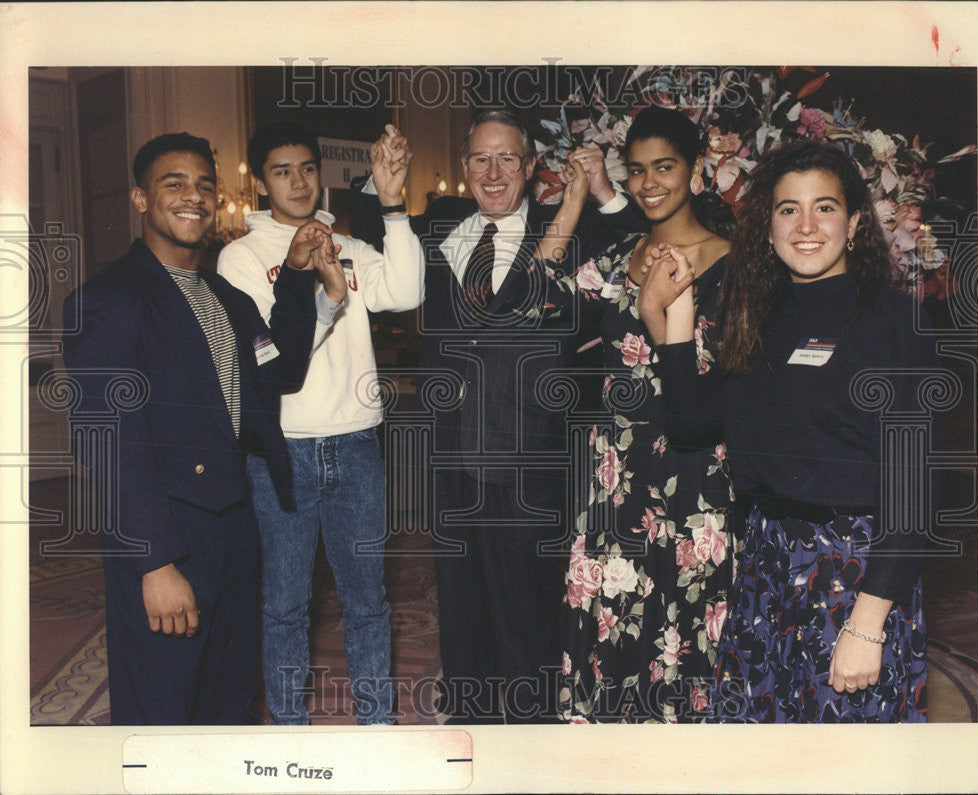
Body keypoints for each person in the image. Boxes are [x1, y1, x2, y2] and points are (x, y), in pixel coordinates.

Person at [351, 110, 644, 723]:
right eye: (480, 159)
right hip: (453, 452)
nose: (492, 172)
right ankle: (472, 732)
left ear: (532, 167)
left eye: (508, 158)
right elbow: (363, 225)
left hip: (529, 456)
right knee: (460, 607)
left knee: (528, 612)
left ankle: (533, 739)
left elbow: (636, 240)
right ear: (463, 168)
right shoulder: (435, 227)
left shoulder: (568, 231)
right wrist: (383, 186)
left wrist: (607, 191)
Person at [640, 139, 939, 722]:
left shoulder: (895, 321)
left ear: (853, 223)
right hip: (766, 568)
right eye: (787, 210)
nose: (806, 226)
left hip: (853, 573)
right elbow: (690, 425)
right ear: (768, 229)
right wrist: (672, 318)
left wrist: (868, 623)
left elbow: (913, 491)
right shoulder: (757, 314)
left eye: (824, 207)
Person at [61, 132, 344, 724]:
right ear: (140, 199)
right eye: (175, 183)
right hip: (166, 530)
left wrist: (297, 278)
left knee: (230, 699)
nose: (194, 196)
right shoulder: (109, 299)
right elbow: (109, 444)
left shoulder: (225, 296)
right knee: (163, 708)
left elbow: (280, 373)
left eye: (205, 185)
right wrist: (156, 563)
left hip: (235, 526)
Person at [534, 106, 736, 723]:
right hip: (617, 471)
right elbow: (533, 303)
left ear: (696, 168)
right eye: (638, 170)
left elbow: (737, 382)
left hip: (695, 470)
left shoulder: (736, 263)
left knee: (681, 624)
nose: (649, 183)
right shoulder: (621, 252)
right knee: (614, 625)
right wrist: (572, 205)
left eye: (665, 167)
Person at [217, 123, 422, 725]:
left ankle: (377, 728)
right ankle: (290, 735)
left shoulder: (349, 245)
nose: (299, 181)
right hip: (282, 451)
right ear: (260, 182)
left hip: (356, 442)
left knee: (367, 602)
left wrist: (391, 202)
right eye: (282, 171)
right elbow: (276, 357)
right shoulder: (242, 258)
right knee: (285, 606)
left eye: (307, 168)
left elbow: (407, 289)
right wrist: (320, 290)